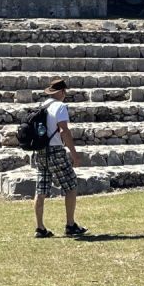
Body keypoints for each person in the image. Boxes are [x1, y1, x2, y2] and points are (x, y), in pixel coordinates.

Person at [32, 78, 87, 239]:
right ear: (62, 92)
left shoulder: (42, 106)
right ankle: (70, 224)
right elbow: (64, 131)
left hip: (40, 151)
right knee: (70, 185)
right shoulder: (60, 107)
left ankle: (40, 227)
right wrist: (74, 154)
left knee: (41, 189)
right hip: (55, 150)